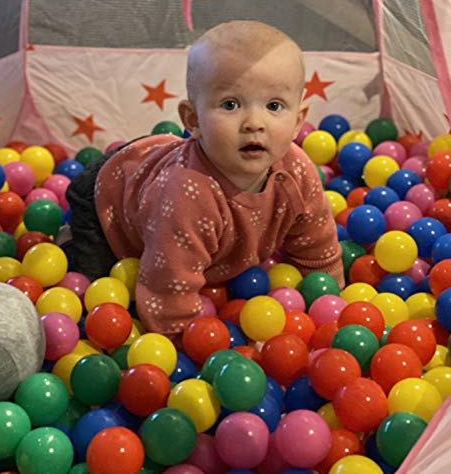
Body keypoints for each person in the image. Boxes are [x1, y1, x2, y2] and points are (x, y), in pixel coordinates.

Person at [65, 20, 344, 341]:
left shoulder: (297, 174)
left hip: (157, 171)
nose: (254, 123)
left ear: (298, 121)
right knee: (92, 290)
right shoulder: (187, 194)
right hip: (111, 195)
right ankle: (67, 237)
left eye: (273, 106)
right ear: (192, 120)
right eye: (230, 104)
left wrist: (330, 308)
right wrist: (188, 349)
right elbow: (168, 291)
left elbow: (317, 247)